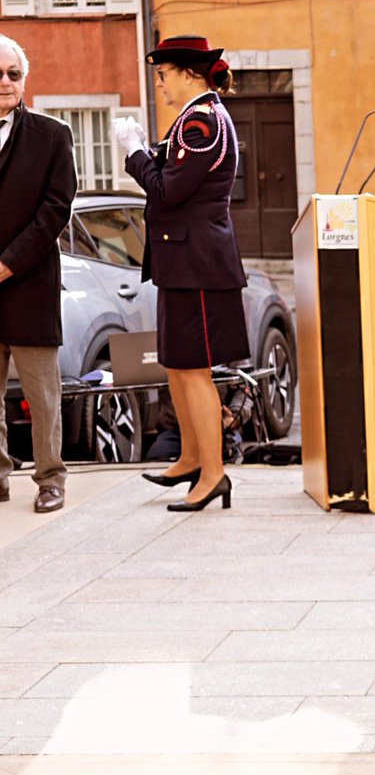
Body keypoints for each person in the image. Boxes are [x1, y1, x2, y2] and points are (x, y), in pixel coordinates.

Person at [113, 35, 247, 510]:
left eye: (163, 73)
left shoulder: (203, 122)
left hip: (199, 265)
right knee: (178, 364)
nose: (159, 83)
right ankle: (192, 456)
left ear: (190, 73)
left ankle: (214, 474)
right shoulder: (191, 121)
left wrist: (133, 153)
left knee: (195, 373)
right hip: (183, 261)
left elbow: (167, 191)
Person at [0, 34, 76, 514]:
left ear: (25, 80)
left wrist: (6, 264)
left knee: (43, 396)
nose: (5, 83)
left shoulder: (53, 135)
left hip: (29, 284)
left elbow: (55, 211)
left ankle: (51, 479)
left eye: (13, 74)